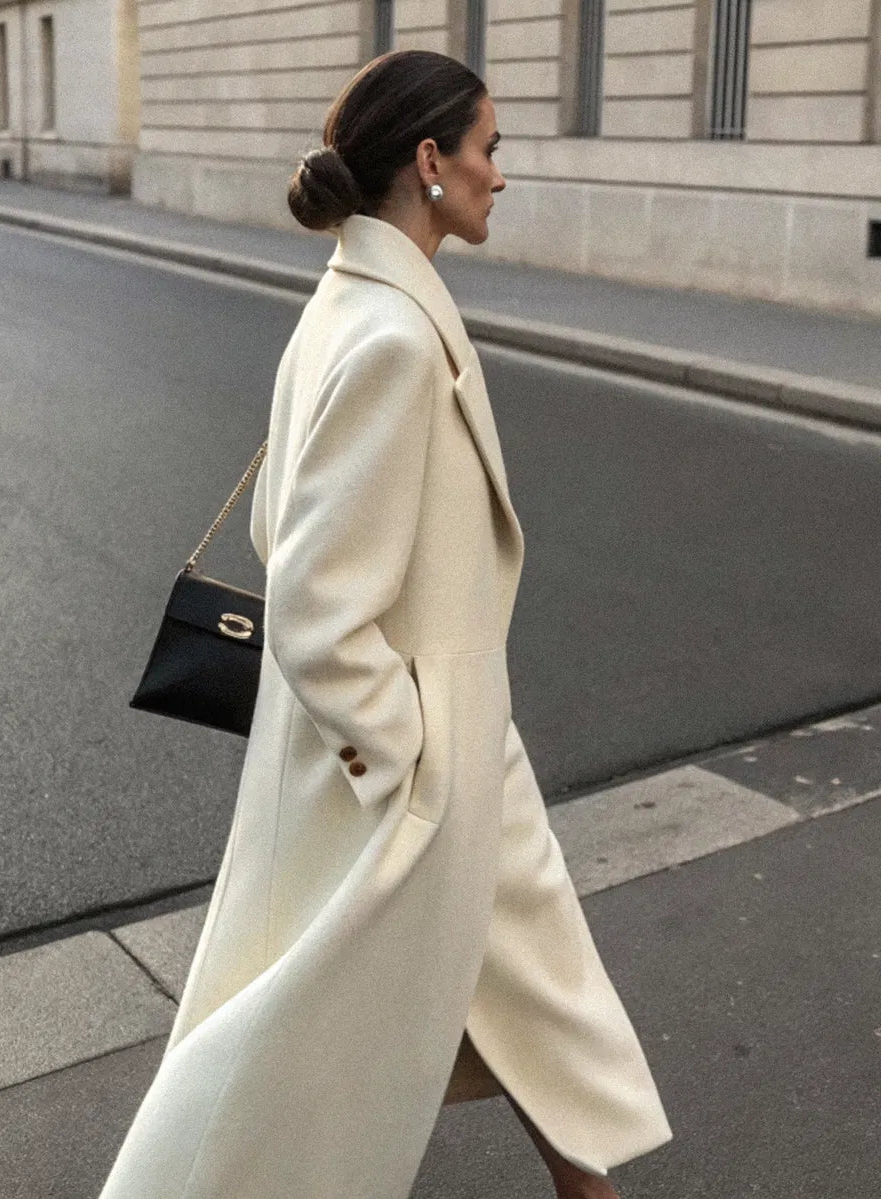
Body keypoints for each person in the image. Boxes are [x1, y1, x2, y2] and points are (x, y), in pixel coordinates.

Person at [99, 50, 671, 1199]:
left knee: (533, 969)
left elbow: (274, 520)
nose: (501, 174)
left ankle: (588, 1182)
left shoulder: (353, 306)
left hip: (455, 731)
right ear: (429, 161)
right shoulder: (396, 340)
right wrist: (407, 762)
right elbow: (317, 605)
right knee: (285, 1042)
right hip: (416, 752)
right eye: (490, 148)